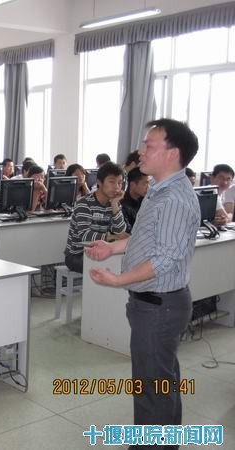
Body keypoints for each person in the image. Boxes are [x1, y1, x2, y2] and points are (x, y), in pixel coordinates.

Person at [86, 119, 201, 443]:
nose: (141, 151)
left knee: (152, 391)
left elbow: (163, 259)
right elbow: (144, 239)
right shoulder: (160, 189)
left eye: (149, 145)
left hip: (158, 307)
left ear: (172, 153)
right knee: (160, 385)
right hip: (157, 305)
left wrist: (119, 280)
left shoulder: (173, 198)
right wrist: (112, 247)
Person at [64, 161, 127, 274]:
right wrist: (111, 237)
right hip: (77, 255)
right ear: (99, 182)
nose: (117, 187)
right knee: (111, 267)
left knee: (124, 264)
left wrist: (114, 204)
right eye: (112, 182)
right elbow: (85, 235)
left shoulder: (113, 203)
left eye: (120, 183)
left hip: (101, 250)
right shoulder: (84, 203)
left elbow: (119, 231)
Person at [121, 168, 149, 233]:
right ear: (132, 185)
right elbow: (127, 230)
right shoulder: (122, 204)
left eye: (148, 183)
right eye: (145, 183)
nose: (148, 187)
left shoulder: (146, 201)